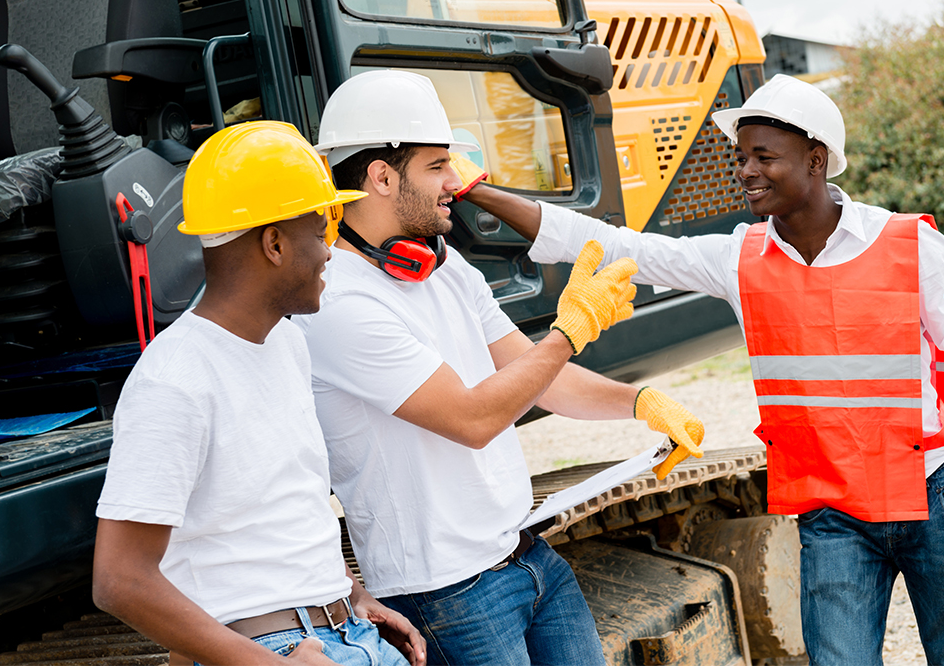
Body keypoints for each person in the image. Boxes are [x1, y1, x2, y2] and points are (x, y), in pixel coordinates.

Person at [464, 73, 944, 665]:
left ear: (816, 159)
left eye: (763, 156)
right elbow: (618, 244)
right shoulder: (739, 258)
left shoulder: (910, 245)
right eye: (740, 156)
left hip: (932, 490)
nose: (746, 170)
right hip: (831, 510)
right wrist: (478, 192)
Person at [294, 70, 705, 666]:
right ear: (381, 176)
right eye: (437, 166)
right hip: (444, 592)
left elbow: (536, 376)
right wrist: (568, 333)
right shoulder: (340, 303)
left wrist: (638, 402)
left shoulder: (445, 265)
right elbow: (474, 418)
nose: (455, 183)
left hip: (526, 555)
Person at [92, 122, 426, 666]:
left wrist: (352, 597)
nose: (329, 253)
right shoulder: (174, 379)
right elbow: (118, 580)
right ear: (273, 243)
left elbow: (283, 505)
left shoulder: (287, 342)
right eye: (319, 233)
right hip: (269, 652)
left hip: (342, 633)